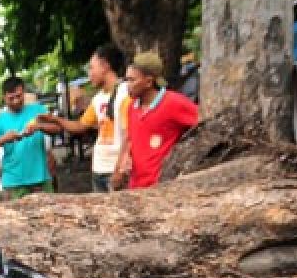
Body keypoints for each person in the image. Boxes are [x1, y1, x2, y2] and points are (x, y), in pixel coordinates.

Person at [37, 44, 129, 192]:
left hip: (117, 170)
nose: (89, 73)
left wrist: (120, 169)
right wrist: (55, 120)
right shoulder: (98, 98)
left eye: (91, 68)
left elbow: (129, 136)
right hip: (99, 168)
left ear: (105, 66)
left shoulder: (126, 93)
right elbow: (81, 126)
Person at [112, 52, 198, 190]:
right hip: (136, 186)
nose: (127, 85)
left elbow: (203, 123)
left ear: (148, 82)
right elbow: (130, 138)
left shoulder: (173, 102)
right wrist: (118, 168)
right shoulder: (131, 107)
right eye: (126, 80)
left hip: (162, 187)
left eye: (132, 80)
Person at [0, 76, 53, 199]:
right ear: (4, 98)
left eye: (19, 96)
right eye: (11, 98)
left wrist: (39, 126)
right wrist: (4, 138)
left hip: (41, 178)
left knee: (50, 216)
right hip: (14, 183)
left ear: (24, 92)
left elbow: (58, 128)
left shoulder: (38, 110)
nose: (16, 101)